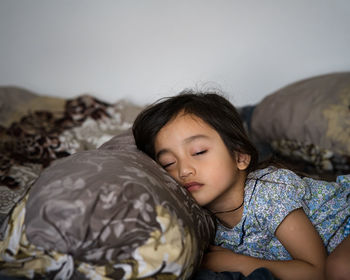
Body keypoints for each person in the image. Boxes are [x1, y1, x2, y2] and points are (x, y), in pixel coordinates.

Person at [132, 90, 350, 280]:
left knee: (340, 269)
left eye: (199, 152)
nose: (184, 170)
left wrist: (235, 262)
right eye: (168, 163)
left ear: (240, 157)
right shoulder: (202, 221)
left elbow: (317, 273)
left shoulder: (270, 192)